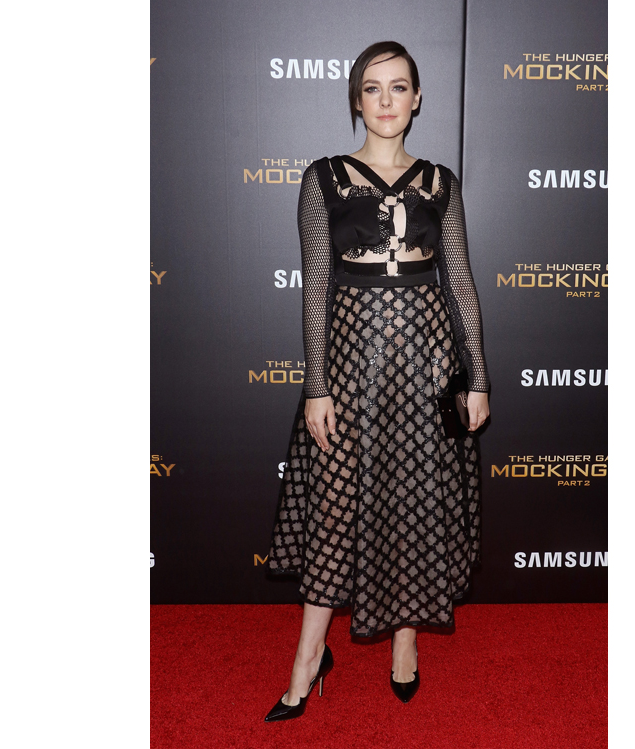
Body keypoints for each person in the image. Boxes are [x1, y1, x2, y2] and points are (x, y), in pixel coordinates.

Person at [264, 40, 490, 722]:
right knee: (335, 509)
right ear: (356, 101)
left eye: (398, 87)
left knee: (417, 501)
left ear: (417, 99)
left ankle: (405, 643)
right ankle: (309, 658)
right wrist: (317, 386)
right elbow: (317, 288)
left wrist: (477, 378)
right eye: (372, 88)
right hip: (351, 367)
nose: (386, 100)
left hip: (427, 367)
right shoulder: (325, 178)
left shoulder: (440, 183)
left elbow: (460, 282)